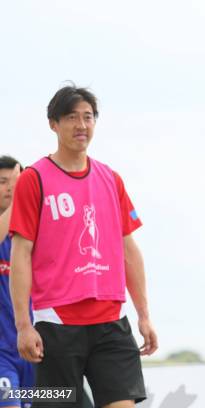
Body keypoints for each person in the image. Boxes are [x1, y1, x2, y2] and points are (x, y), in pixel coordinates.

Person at [9, 85, 158, 408]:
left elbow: (129, 250)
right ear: (53, 124)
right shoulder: (34, 179)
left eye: (88, 117)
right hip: (56, 324)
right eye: (72, 117)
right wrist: (24, 325)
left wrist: (144, 315)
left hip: (111, 322)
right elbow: (20, 253)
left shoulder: (110, 178)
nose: (81, 125)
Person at [0, 156, 33, 408]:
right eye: (3, 182)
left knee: (61, 399)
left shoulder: (31, 235)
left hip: (36, 350)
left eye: (16, 182)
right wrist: (21, 197)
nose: (11, 188)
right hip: (2, 356)